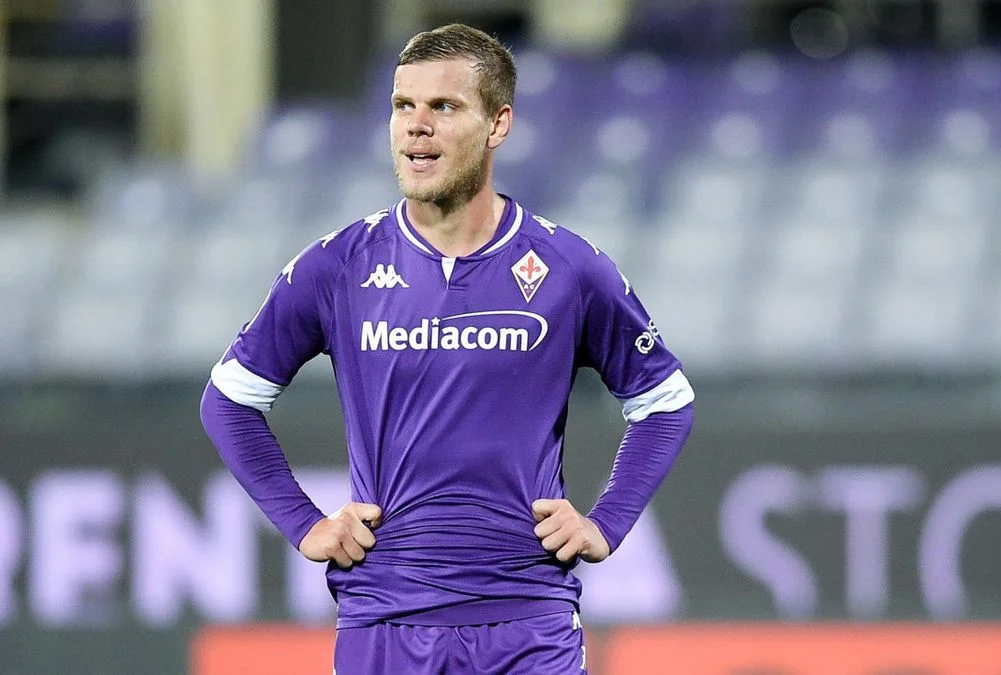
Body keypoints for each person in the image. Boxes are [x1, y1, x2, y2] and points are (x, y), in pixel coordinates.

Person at [199, 23, 694, 674]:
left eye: (444, 106)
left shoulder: (569, 268)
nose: (416, 126)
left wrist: (605, 523)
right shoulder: (338, 265)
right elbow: (229, 400)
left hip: (529, 620)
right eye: (403, 106)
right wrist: (304, 523)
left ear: (498, 124)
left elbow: (665, 402)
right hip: (384, 618)